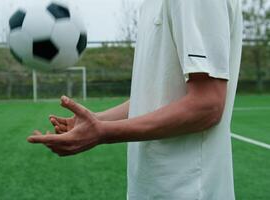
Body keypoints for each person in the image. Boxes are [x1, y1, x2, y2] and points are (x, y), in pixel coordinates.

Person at [27, 0, 243, 199]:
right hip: (155, 188)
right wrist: (97, 120)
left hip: (188, 190)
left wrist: (103, 133)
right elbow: (156, 97)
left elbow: (207, 105)